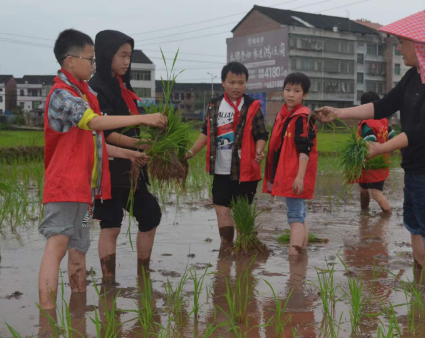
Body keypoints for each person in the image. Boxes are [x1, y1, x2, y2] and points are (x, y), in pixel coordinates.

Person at [314, 10, 425, 290]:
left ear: (420, 45)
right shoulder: (414, 76)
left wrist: (381, 147)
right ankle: (422, 295)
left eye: (401, 42)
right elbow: (382, 106)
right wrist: (337, 112)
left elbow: (424, 129)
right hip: (416, 170)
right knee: (417, 232)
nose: (398, 47)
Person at [38, 29, 167, 309]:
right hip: (64, 190)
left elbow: (96, 144)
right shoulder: (63, 95)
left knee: (78, 246)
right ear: (70, 60)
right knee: (58, 245)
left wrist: (129, 153)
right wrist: (144, 119)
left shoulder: (83, 93)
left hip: (86, 194)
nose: (93, 64)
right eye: (89, 58)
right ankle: (46, 320)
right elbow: (94, 124)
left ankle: (79, 309)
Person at [89, 30, 163, 281]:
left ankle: (144, 271)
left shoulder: (123, 85)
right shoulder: (96, 89)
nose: (126, 62)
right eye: (122, 55)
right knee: (111, 223)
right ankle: (108, 282)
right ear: (106, 54)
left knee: (150, 213)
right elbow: (105, 133)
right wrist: (140, 145)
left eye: (129, 56)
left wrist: (145, 144)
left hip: (132, 167)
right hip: (109, 167)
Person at [185, 62, 268, 246]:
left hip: (244, 170)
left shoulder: (252, 105)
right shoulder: (214, 105)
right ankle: (226, 247)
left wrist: (259, 150)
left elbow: (261, 134)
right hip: (220, 169)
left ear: (246, 83)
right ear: (223, 82)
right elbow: (206, 132)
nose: (236, 87)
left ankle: (244, 248)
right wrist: (191, 152)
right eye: (232, 82)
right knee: (221, 208)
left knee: (242, 211)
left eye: (241, 82)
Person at [263, 72, 317, 256]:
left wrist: (300, 177)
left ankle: (294, 260)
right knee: (299, 214)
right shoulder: (284, 115)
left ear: (305, 95)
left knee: (294, 216)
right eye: (287, 90)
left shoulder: (301, 118)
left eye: (296, 91)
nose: (290, 94)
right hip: (286, 174)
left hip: (294, 175)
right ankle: (302, 256)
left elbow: (305, 149)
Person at [356, 91, 394, 214]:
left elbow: (370, 140)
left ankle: (387, 214)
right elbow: (392, 136)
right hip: (381, 163)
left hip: (369, 164)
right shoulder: (384, 121)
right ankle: (364, 213)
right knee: (364, 189)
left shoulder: (366, 123)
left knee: (374, 193)